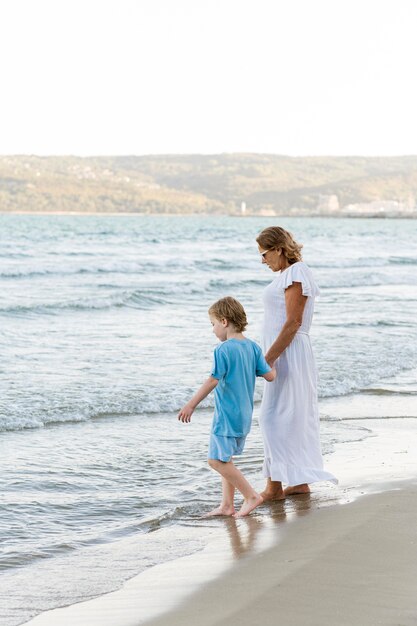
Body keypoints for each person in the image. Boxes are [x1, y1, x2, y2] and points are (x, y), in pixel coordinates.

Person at [256, 226, 337, 501]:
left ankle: (274, 488)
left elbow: (293, 322)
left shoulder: (296, 272)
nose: (262, 260)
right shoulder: (287, 275)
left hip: (288, 354)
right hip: (285, 353)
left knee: (272, 418)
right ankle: (297, 483)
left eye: (264, 253)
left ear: (279, 249)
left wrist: (266, 360)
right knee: (286, 416)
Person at [178, 296, 276, 518]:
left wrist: (191, 405)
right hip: (244, 416)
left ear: (224, 321)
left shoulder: (222, 350)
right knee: (225, 459)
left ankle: (251, 495)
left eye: (212, 324)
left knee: (215, 461)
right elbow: (270, 376)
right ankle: (227, 505)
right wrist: (275, 364)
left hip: (226, 416)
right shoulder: (253, 347)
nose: (212, 330)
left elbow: (213, 380)